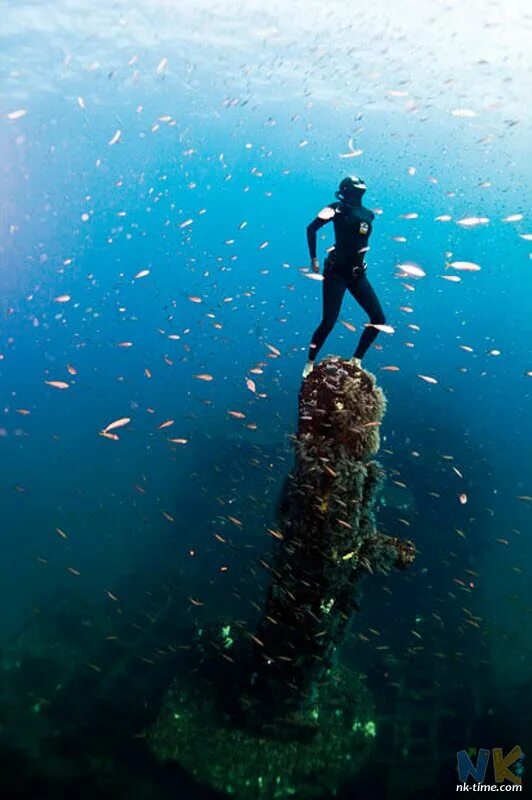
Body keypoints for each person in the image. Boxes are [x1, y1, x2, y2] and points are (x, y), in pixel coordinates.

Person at [302, 176, 386, 378]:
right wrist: (313, 258)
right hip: (336, 273)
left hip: (357, 274)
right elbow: (311, 228)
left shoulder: (369, 215)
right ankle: (310, 362)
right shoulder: (336, 208)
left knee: (379, 319)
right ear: (346, 190)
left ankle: (356, 360)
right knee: (329, 322)